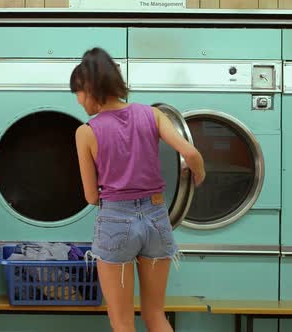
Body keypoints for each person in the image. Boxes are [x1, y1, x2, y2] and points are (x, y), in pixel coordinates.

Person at [71, 48, 205, 332]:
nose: (78, 101)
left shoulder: (86, 132)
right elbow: (191, 154)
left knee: (121, 321)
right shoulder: (152, 115)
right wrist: (199, 175)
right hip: (157, 218)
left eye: (77, 94)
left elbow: (91, 196)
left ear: (88, 89)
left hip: (115, 221)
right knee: (155, 314)